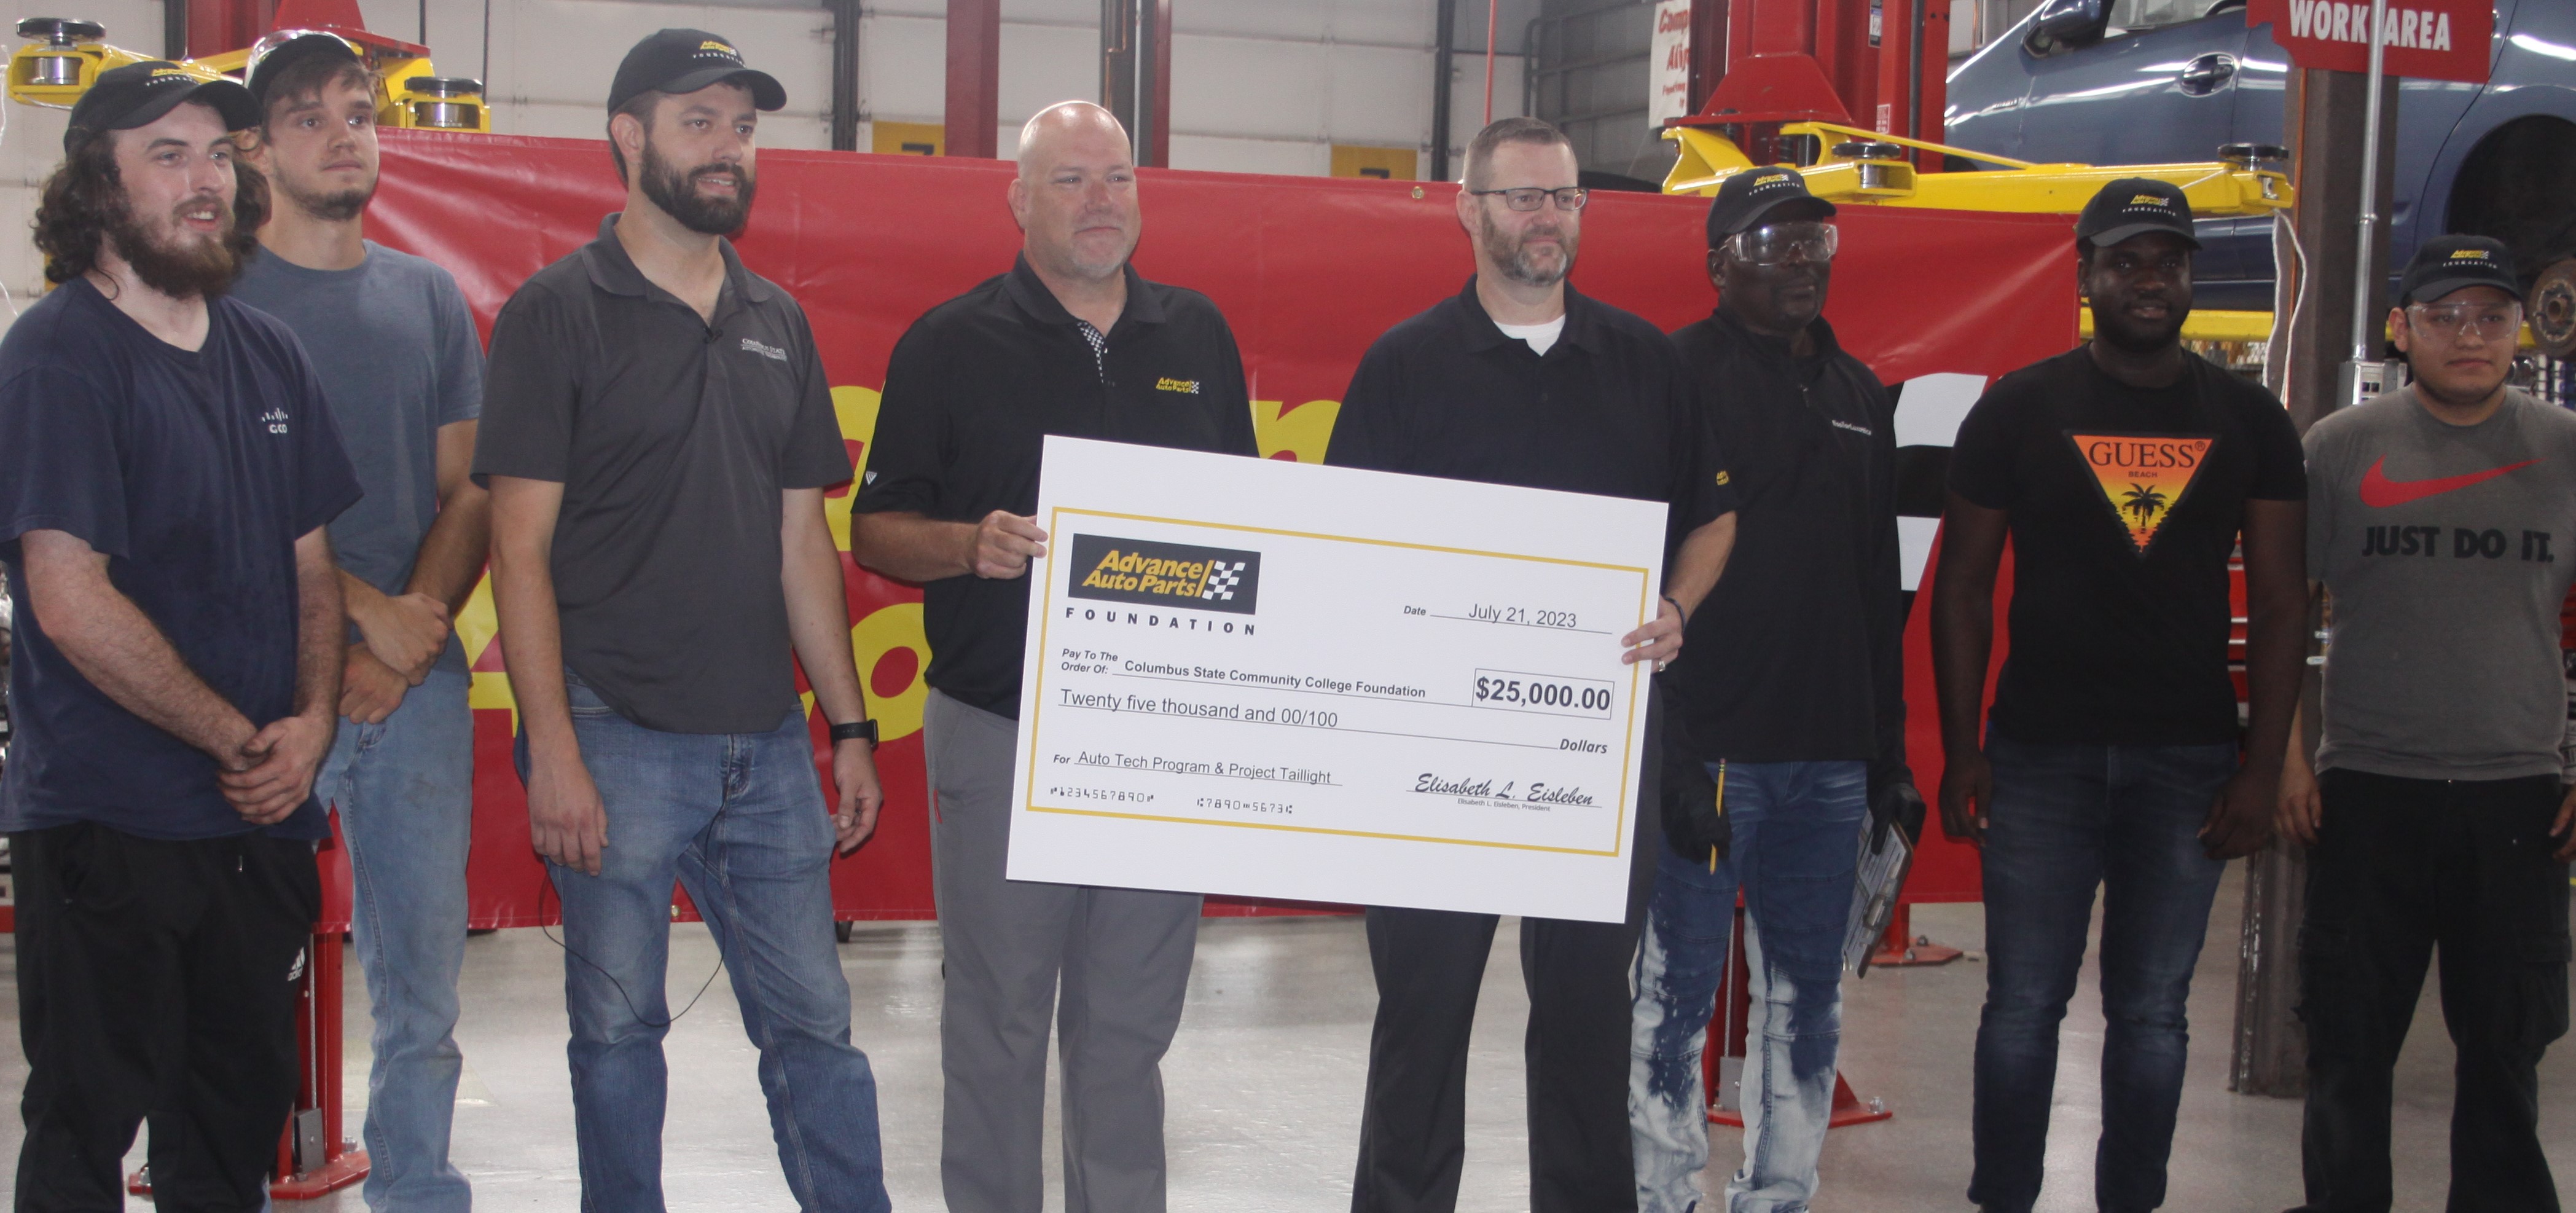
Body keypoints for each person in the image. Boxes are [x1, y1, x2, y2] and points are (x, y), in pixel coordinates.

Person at [474, 29, 890, 1212]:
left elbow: (801, 539)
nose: (727, 149)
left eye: (743, 127)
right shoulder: (558, 313)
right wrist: (551, 748)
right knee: (617, 1038)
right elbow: (519, 550)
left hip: (764, 746)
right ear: (628, 136)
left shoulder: (776, 320)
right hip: (612, 735)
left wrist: (847, 726)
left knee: (818, 1030)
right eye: (697, 121)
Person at [850, 100, 1258, 1213]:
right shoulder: (948, 341)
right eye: (1070, 180)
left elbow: (1250, 529)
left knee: (1128, 1025)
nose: (1099, 201)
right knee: (997, 1017)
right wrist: (968, 546)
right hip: (1001, 731)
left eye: (1116, 178)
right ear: (1019, 199)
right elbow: (874, 530)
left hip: (1159, 741)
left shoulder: (1196, 335)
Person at [1326, 116, 1740, 1213]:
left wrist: (1674, 604)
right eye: (1521, 198)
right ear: (1469, 210)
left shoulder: (1645, 362)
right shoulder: (1403, 365)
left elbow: (1712, 521)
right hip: (1429, 755)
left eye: (1562, 199)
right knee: (1421, 1018)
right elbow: (1344, 548)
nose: (1545, 219)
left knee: (1585, 1022)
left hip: (1591, 753)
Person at [0, 63, 361, 1211]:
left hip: (257, 825)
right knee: (84, 1124)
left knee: (229, 1124)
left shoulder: (270, 355)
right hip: (112, 821)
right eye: (168, 155)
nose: (205, 182)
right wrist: (239, 741)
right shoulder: (59, 357)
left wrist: (307, 727)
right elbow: (69, 596)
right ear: (97, 188)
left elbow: (313, 568)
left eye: (219, 155)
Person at [1930, 177, 2306, 1213]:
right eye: (2127, 260)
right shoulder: (2017, 405)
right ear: (2085, 271)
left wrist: (2259, 763)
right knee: (2020, 1007)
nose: (2150, 280)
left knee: (2150, 1015)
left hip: (2186, 764)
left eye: (2170, 261)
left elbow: (2281, 605)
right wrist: (1966, 749)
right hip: (2038, 755)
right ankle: (2003, 1197)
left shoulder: (2250, 419)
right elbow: (1959, 587)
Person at [232, 33, 491, 1211]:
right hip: (268, 684)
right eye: (308, 116)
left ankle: (420, 1188)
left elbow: (469, 490)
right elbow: (222, 501)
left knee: (424, 993)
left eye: (358, 110)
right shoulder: (219, 295)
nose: (345, 133)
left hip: (416, 689)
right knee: (230, 975)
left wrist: (415, 634)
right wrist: (357, 629)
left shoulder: (427, 296)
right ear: (257, 148)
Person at [1631, 167, 1916, 1213]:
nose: (1798, 261)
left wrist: (1885, 753)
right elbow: (1637, 568)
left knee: (1807, 1000)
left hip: (1831, 765)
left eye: (1814, 241)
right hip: (1707, 753)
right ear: (1717, 266)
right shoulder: (1670, 376)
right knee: (1673, 1000)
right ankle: (1660, 1197)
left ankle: (1778, 1194)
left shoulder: (1857, 395)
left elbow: (1875, 581)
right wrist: (1664, 754)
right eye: (1770, 243)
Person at [2280, 236, 2574, 1213]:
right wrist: (2282, 760)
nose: (2470, 336)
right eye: (2445, 316)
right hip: (2368, 789)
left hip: (2517, 799)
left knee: (2503, 1050)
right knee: (2347, 1045)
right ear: (2400, 331)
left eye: (2490, 316)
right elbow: (2285, 612)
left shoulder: (2565, 452)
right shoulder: (2338, 447)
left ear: (2518, 331)